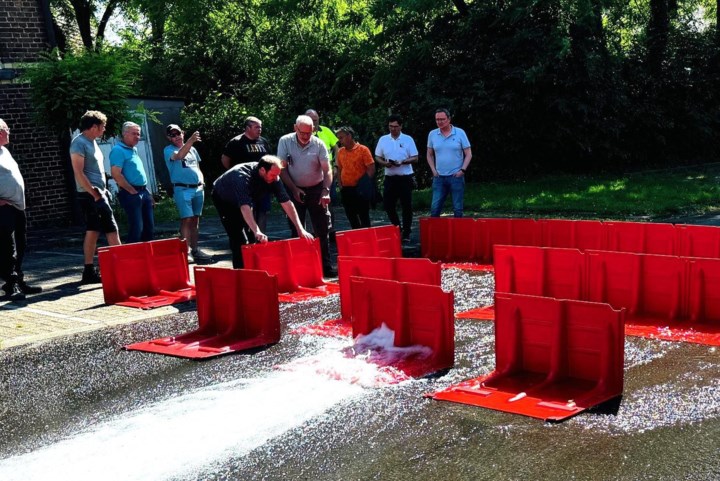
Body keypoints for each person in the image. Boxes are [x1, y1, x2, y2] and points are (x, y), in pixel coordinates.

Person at [212, 155, 313, 269]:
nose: (275, 178)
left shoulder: (274, 177)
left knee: (252, 236)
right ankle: (241, 273)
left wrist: (300, 229)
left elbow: (286, 202)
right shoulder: (240, 176)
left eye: (277, 175)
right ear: (262, 170)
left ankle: (254, 270)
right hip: (225, 199)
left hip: (249, 197)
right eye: (273, 175)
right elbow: (245, 207)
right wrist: (257, 230)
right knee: (239, 238)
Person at [277, 115, 335, 277]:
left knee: (322, 228)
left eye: (309, 133)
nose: (305, 137)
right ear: (295, 128)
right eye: (302, 133)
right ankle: (300, 268)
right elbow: (282, 169)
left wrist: (326, 190)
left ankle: (326, 266)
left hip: (316, 188)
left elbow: (327, 170)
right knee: (297, 228)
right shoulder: (285, 141)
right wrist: (294, 189)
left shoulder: (318, 144)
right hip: (293, 187)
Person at [70, 110, 121, 284]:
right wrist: (94, 192)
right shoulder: (79, 143)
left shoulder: (92, 142)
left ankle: (88, 270)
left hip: (98, 193)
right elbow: (78, 171)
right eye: (102, 126)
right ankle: (121, 266)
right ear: (93, 127)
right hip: (91, 195)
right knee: (111, 228)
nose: (104, 130)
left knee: (93, 230)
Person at [0, 119, 42, 300]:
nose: (9, 132)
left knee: (21, 244)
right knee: (7, 246)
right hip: (4, 207)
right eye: (7, 129)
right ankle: (11, 283)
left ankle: (17, 280)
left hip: (17, 206)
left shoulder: (4, 151)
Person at [163, 124, 213, 264]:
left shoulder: (193, 150)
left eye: (178, 133)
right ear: (169, 138)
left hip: (197, 188)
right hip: (182, 189)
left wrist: (201, 181)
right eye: (173, 135)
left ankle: (195, 248)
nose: (177, 137)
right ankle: (185, 251)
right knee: (187, 218)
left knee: (196, 219)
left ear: (182, 133)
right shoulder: (168, 150)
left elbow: (196, 166)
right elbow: (179, 156)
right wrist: (190, 141)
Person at [221, 116, 273, 232]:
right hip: (245, 184)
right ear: (247, 128)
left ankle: (261, 239)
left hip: (263, 184)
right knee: (248, 211)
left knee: (263, 211)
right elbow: (225, 159)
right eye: (256, 127)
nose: (259, 129)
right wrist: (235, 173)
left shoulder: (263, 142)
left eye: (260, 127)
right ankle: (249, 241)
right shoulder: (236, 142)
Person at [374, 114, 418, 241]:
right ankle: (397, 227)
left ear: (401, 126)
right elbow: (377, 156)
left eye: (395, 127)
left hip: (405, 176)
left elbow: (415, 157)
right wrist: (385, 163)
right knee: (388, 204)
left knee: (406, 205)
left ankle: (407, 232)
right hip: (390, 176)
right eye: (390, 126)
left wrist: (403, 161)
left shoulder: (408, 139)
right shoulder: (383, 139)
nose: (393, 129)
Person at [110, 121, 154, 243]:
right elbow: (116, 174)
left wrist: (148, 193)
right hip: (131, 193)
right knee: (137, 229)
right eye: (134, 134)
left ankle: (147, 259)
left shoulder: (133, 149)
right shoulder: (118, 150)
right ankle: (131, 259)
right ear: (125, 134)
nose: (137, 137)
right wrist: (131, 191)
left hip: (143, 191)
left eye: (138, 134)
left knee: (148, 228)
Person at [427, 108, 472, 218]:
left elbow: (468, 154)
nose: (440, 122)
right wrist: (433, 170)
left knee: (457, 208)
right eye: (437, 119)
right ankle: (436, 233)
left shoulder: (460, 133)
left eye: (442, 119)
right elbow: (429, 154)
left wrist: (462, 170)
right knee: (435, 208)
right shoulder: (432, 134)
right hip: (439, 177)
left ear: (449, 119)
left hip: (456, 176)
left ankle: (458, 232)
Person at [305, 109, 340, 238]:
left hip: (327, 172)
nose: (315, 123)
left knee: (329, 200)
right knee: (312, 202)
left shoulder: (326, 131)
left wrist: (336, 165)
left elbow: (336, 148)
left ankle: (330, 229)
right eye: (312, 120)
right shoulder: (303, 133)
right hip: (310, 173)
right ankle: (313, 231)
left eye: (316, 120)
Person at [335, 126, 375, 229]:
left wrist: (364, 184)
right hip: (346, 189)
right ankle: (357, 237)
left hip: (360, 189)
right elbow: (339, 169)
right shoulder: (340, 152)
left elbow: (371, 168)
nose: (339, 140)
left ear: (349, 136)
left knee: (363, 216)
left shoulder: (363, 149)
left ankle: (367, 238)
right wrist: (340, 185)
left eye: (341, 137)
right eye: (338, 138)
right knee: (351, 216)